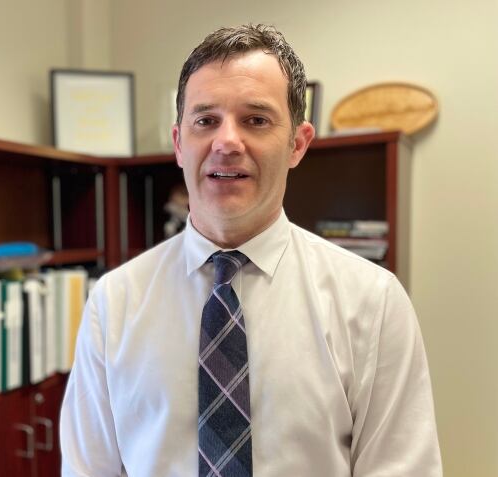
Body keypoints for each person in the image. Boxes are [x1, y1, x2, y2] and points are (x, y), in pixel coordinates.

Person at [59, 24, 442, 477]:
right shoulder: (114, 301)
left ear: (297, 144)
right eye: (205, 120)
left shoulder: (373, 302)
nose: (226, 142)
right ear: (180, 144)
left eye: (256, 120)